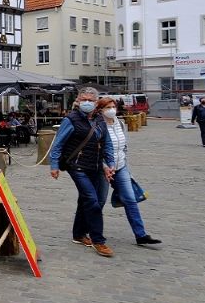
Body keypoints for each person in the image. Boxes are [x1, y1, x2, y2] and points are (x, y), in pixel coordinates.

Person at [49, 87, 116, 258]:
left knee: (87, 200)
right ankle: (98, 240)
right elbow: (57, 144)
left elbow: (106, 142)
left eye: (90, 100)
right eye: (84, 99)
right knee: (92, 201)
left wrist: (110, 163)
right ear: (78, 101)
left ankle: (78, 234)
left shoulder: (100, 119)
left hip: (95, 166)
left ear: (96, 102)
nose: (87, 102)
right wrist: (54, 165)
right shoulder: (71, 120)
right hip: (76, 166)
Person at [94, 98, 161, 246]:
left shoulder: (120, 123)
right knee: (99, 201)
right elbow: (97, 149)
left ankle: (141, 235)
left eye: (113, 107)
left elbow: (124, 146)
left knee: (130, 199)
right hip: (103, 169)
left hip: (121, 166)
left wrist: (125, 165)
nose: (112, 110)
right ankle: (90, 231)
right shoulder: (97, 125)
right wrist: (105, 166)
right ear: (100, 110)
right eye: (108, 107)